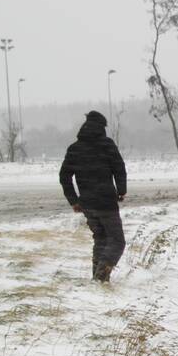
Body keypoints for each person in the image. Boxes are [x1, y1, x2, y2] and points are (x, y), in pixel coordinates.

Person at [59, 110, 127, 282]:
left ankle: (97, 280)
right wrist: (121, 189)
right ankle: (101, 276)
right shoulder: (107, 145)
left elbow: (64, 176)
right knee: (117, 242)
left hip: (87, 203)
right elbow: (119, 168)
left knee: (101, 239)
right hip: (106, 202)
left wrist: (73, 200)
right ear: (101, 127)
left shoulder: (75, 148)